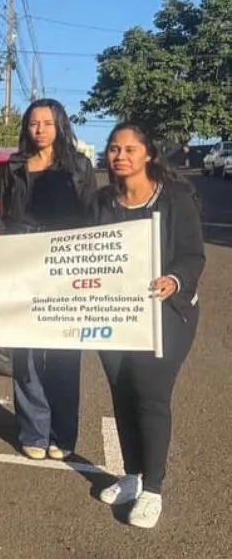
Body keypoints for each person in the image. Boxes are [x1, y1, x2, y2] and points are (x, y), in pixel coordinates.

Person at [93, 123, 204, 528]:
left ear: (147, 155)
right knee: (122, 389)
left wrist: (173, 280)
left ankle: (153, 489)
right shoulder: (103, 201)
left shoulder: (175, 199)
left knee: (150, 391)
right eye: (113, 149)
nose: (120, 156)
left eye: (129, 149)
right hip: (115, 310)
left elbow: (193, 255)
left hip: (167, 310)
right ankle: (131, 475)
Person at [0, 99, 97, 461]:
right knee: (24, 354)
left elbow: (92, 219)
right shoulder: (14, 166)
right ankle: (34, 431)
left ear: (60, 126)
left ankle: (63, 433)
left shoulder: (79, 166)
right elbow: (6, 217)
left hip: (66, 267)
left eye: (47, 123)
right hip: (23, 262)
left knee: (63, 351)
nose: (39, 129)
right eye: (33, 123)